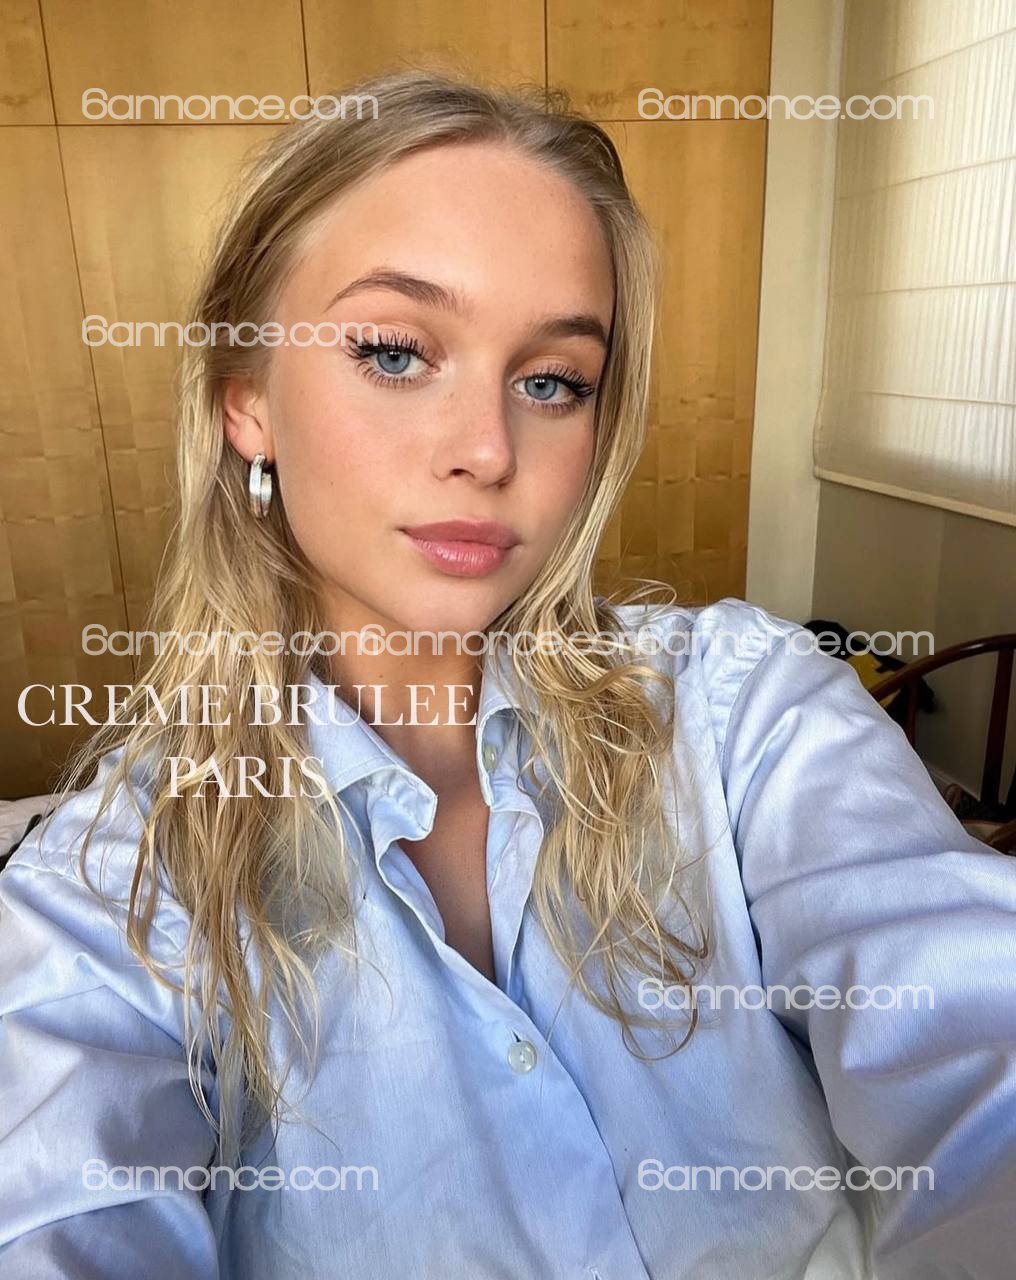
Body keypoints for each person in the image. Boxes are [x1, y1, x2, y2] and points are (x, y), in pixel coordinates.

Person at [1, 70, 1013, 1280]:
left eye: (551, 381)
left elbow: (974, 1036)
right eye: (393, 352)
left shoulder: (739, 708)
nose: (487, 449)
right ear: (247, 400)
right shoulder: (114, 885)